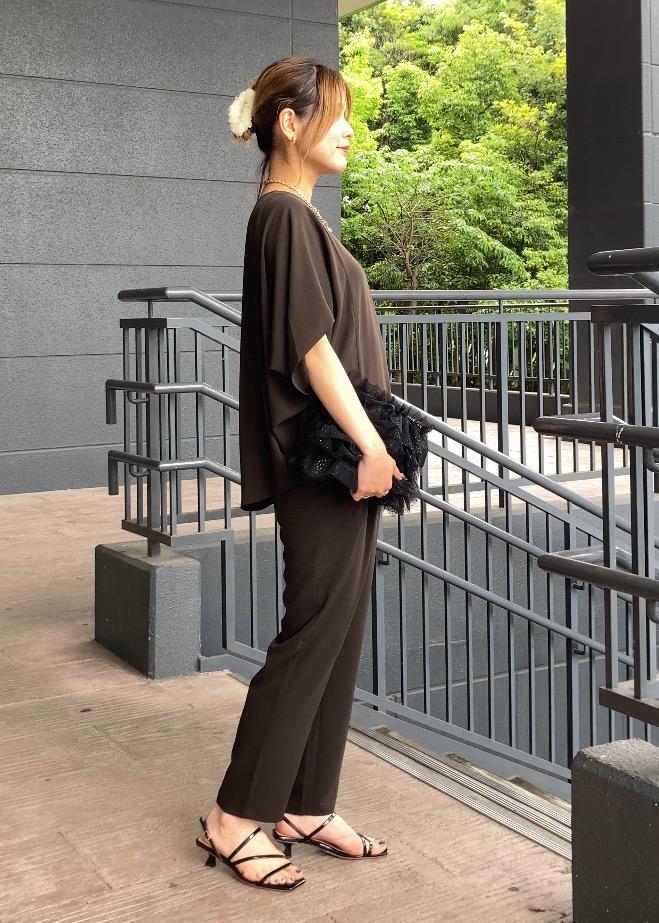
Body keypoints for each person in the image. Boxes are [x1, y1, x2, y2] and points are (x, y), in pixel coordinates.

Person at [195, 56, 402, 892]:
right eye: (336, 113)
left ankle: (307, 803)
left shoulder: (300, 217)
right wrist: (370, 443)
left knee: (338, 628)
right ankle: (233, 813)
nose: (349, 129)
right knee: (313, 626)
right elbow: (311, 347)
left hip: (339, 457)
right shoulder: (282, 215)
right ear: (290, 122)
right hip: (325, 456)